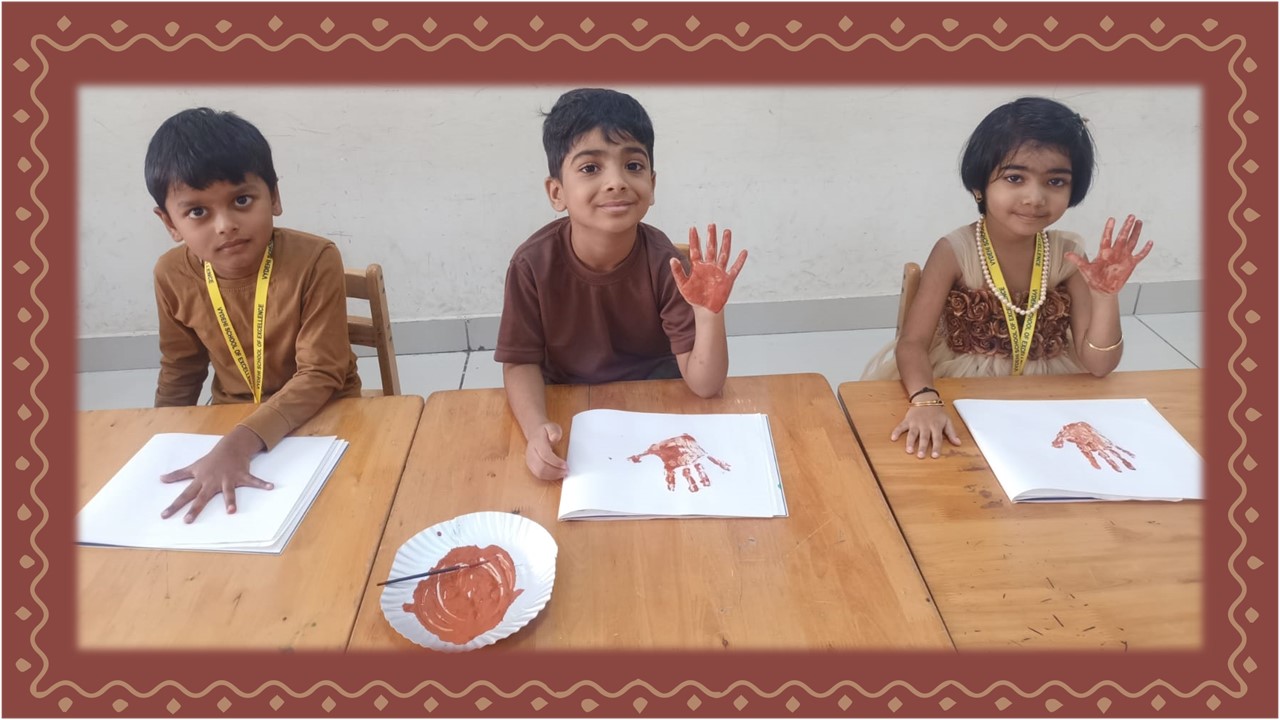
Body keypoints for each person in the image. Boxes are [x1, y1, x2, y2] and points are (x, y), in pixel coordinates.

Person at [863, 97, 1153, 459]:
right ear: (979, 186)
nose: (1035, 197)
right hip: (961, 384)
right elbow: (912, 343)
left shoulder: (1069, 256)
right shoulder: (954, 250)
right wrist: (925, 400)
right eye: (1015, 178)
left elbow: (1100, 366)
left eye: (1055, 181)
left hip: (1047, 389)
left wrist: (1106, 297)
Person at [495, 88, 749, 481]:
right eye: (590, 168)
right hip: (568, 406)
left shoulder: (667, 264)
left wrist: (708, 315)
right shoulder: (531, 265)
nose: (616, 182)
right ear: (556, 192)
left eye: (632, 165)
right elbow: (520, 362)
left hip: (658, 404)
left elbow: (705, 386)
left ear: (652, 183)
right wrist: (536, 428)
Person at [146, 107, 361, 521]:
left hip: (326, 412)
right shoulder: (170, 275)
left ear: (274, 198)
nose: (225, 225)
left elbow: (321, 373)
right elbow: (180, 370)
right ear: (169, 223)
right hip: (232, 419)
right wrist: (161, 442)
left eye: (241, 200)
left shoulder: (316, 259)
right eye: (197, 212)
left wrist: (238, 443)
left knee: (335, 519)